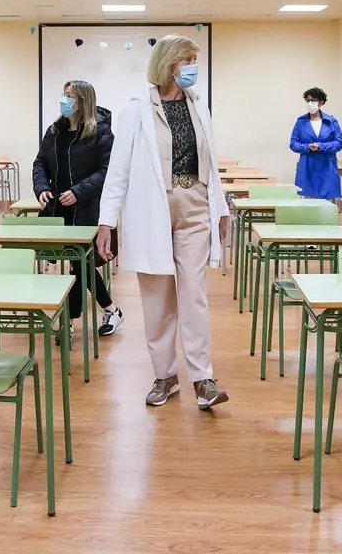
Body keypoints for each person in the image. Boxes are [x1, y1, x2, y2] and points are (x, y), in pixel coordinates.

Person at [96, 35, 231, 410]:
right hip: (153, 210)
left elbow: (212, 163)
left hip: (194, 206)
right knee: (157, 302)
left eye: (194, 60)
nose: (192, 67)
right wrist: (107, 223)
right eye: (187, 60)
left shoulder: (199, 107)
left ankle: (203, 379)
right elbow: (117, 173)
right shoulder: (135, 111)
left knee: (194, 296)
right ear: (168, 64)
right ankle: (165, 376)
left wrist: (219, 208)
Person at [32, 80, 123, 343]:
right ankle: (111, 311)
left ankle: (70, 322)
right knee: (77, 263)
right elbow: (40, 162)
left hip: (88, 208)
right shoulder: (55, 131)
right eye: (64, 94)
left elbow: (108, 171)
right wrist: (41, 187)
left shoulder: (101, 132)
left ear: (83, 101)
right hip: (57, 208)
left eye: (70, 95)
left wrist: (79, 191)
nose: (65, 99)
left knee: (78, 262)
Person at [289, 87, 342, 200]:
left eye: (313, 100)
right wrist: (306, 147)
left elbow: (338, 143)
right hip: (307, 166)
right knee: (308, 203)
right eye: (308, 100)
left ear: (321, 102)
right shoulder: (301, 122)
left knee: (326, 206)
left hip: (327, 165)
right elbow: (293, 143)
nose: (310, 103)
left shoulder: (331, 122)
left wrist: (321, 146)